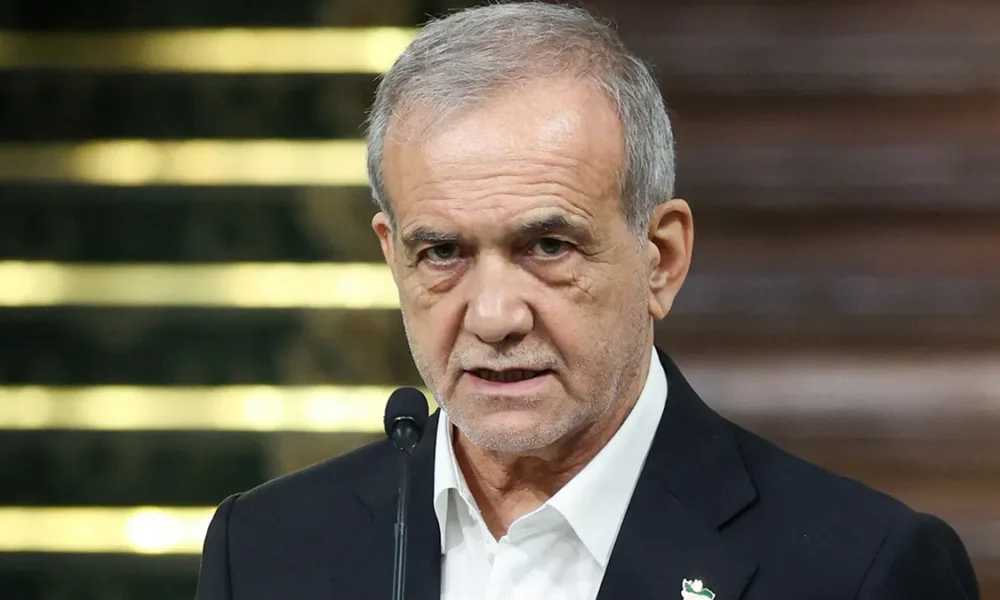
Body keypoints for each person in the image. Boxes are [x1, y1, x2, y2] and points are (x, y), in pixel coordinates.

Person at [194, 3, 981, 599]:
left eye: (547, 247)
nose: (494, 318)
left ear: (661, 259)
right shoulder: (264, 550)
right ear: (391, 257)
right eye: (442, 253)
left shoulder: (861, 570)